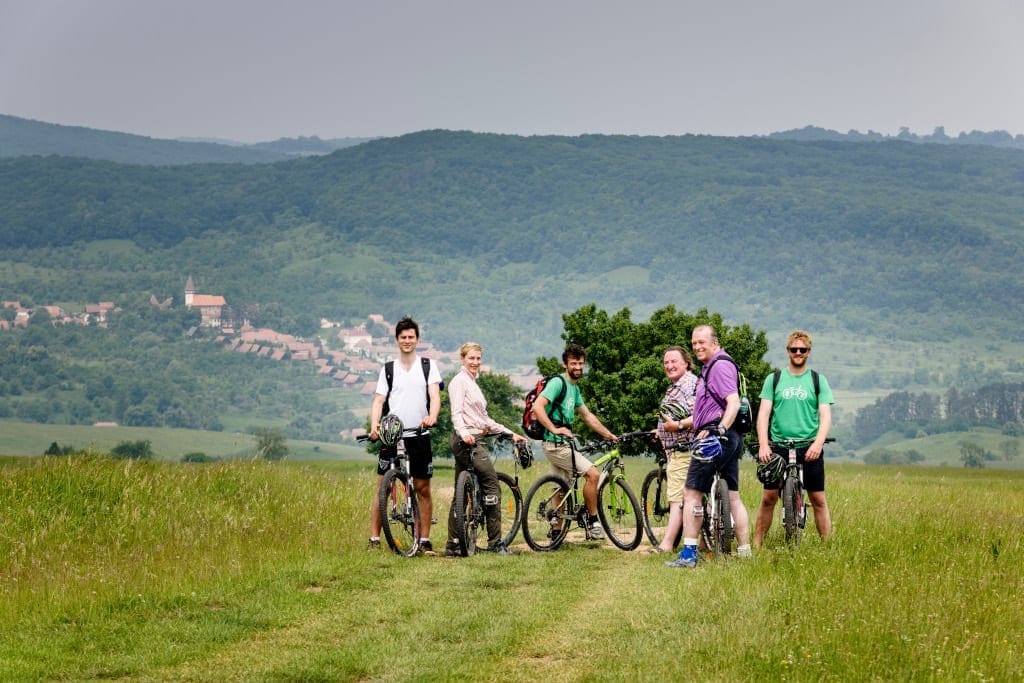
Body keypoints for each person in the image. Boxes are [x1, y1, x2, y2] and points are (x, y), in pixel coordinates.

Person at [667, 324, 752, 568]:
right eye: (694, 343)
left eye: (701, 342)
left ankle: (689, 554)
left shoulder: (719, 365)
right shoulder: (711, 367)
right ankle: (745, 552)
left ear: (714, 343)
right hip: (727, 436)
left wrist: (719, 430)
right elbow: (705, 411)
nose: (697, 347)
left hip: (716, 438)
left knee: (692, 493)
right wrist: (682, 426)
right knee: (733, 496)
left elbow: (733, 403)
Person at [444, 342, 527, 557]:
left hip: (474, 437)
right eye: (471, 358)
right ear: (462, 359)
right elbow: (456, 414)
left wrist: (510, 433)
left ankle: (453, 545)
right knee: (491, 485)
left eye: (478, 358)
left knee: (460, 494)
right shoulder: (458, 382)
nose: (475, 362)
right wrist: (464, 433)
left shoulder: (473, 383)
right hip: (466, 440)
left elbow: (485, 420)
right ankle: (496, 543)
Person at [367, 317, 442, 555]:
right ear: (397, 340)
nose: (407, 341)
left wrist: (432, 416)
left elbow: (435, 396)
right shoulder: (388, 369)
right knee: (383, 488)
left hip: (419, 433)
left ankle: (424, 540)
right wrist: (374, 425)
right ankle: (374, 539)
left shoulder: (428, 366)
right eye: (403, 337)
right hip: (392, 435)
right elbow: (379, 400)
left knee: (422, 488)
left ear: (417, 340)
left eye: (411, 337)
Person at [753, 330, 835, 547]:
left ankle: (828, 547)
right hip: (778, 445)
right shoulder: (774, 379)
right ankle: (756, 545)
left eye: (803, 350)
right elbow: (763, 414)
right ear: (788, 351)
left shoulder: (818, 380)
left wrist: (818, 443)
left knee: (818, 499)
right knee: (769, 497)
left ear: (808, 352)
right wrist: (763, 444)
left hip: (809, 447)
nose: (798, 353)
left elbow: (825, 416)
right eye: (794, 349)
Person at [531, 343, 617, 541]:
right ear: (565, 365)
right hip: (555, 444)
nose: (578, 367)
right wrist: (553, 428)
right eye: (573, 363)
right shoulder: (558, 384)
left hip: (562, 444)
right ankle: (594, 522)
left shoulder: (574, 388)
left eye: (581, 363)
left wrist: (608, 434)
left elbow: (587, 416)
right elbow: (538, 406)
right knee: (593, 475)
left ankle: (556, 532)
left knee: (562, 487)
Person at [642, 345, 697, 554]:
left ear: (686, 363)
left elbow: (697, 416)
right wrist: (660, 430)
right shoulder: (680, 385)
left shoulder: (686, 384)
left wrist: (677, 426)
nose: (669, 365)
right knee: (693, 497)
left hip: (683, 450)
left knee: (676, 500)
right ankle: (701, 542)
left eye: (674, 361)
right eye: (666, 362)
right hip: (679, 447)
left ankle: (666, 545)